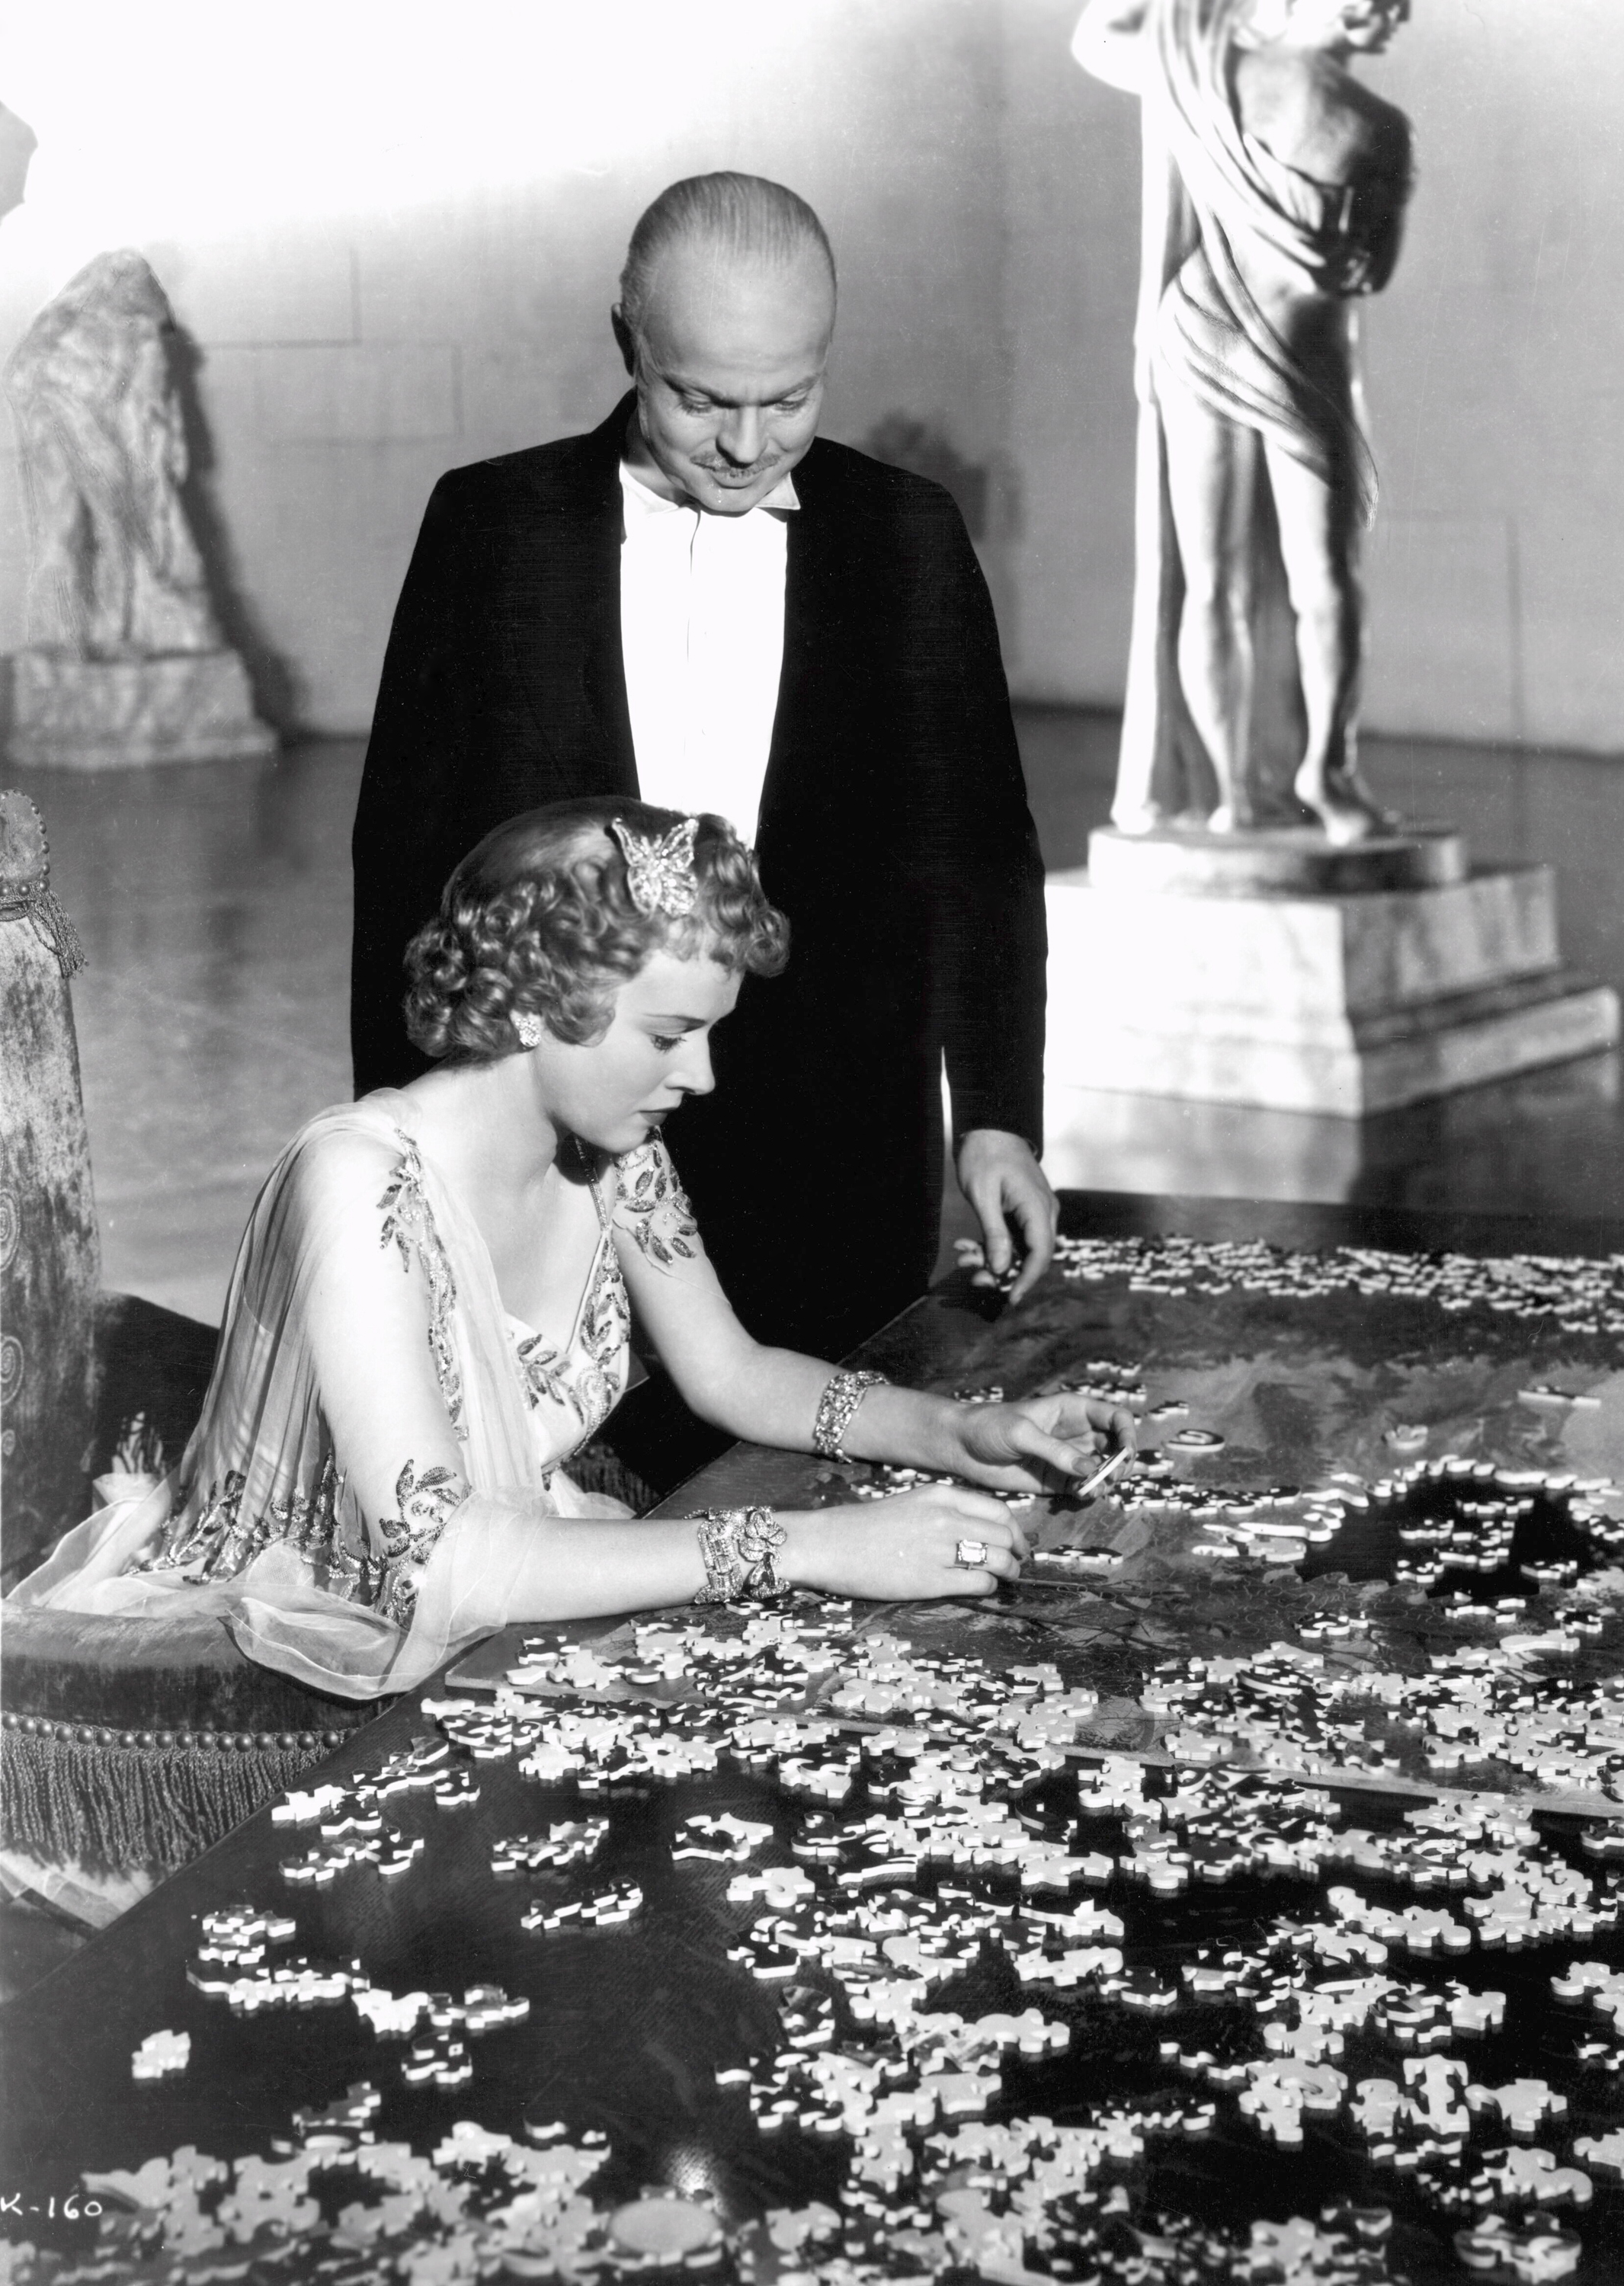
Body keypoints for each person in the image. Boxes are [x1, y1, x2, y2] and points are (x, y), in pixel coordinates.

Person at [11, 802, 1126, 1700]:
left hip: (530, 1570)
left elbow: (730, 1373)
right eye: (668, 1036)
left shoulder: (616, 1152)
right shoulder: (358, 1181)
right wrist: (818, 1544)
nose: (703, 1079)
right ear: (539, 1005)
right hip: (325, 1643)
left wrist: (958, 1431)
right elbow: (443, 1564)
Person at [350, 173, 1055, 1414]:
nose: (744, 444)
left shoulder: (909, 534)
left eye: (788, 398)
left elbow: (981, 849)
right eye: (700, 400)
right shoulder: (491, 529)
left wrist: (998, 1116)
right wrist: (399, 1148)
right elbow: (406, 865)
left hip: (843, 1146)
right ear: (628, 341)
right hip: (560, 1141)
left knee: (827, 1479)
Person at [1072, 0, 1414, 842]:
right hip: (1297, 355)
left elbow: (1096, 37)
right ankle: (1325, 778)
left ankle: (1238, 795)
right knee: (1323, 583)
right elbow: (1371, 270)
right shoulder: (1380, 126)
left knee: (1218, 584)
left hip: (1201, 334)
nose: (1396, 14)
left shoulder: (1206, 70)